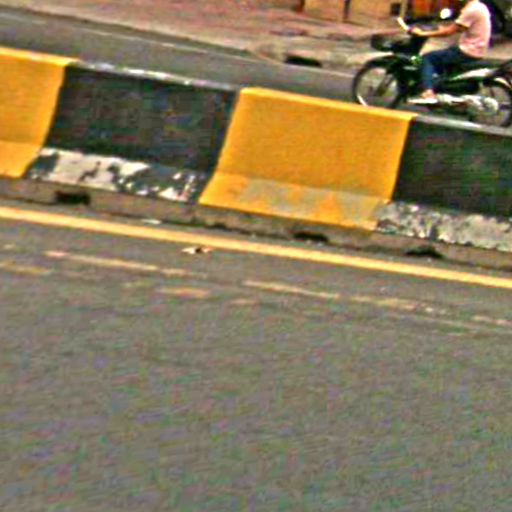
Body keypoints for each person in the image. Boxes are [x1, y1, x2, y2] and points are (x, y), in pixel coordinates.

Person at [409, 0, 491, 105]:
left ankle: (428, 93)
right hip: (477, 48)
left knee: (427, 58)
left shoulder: (471, 10)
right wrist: (441, 28)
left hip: (468, 50)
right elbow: (458, 27)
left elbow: (449, 32)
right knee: (443, 54)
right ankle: (438, 84)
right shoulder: (480, 6)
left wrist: (423, 34)